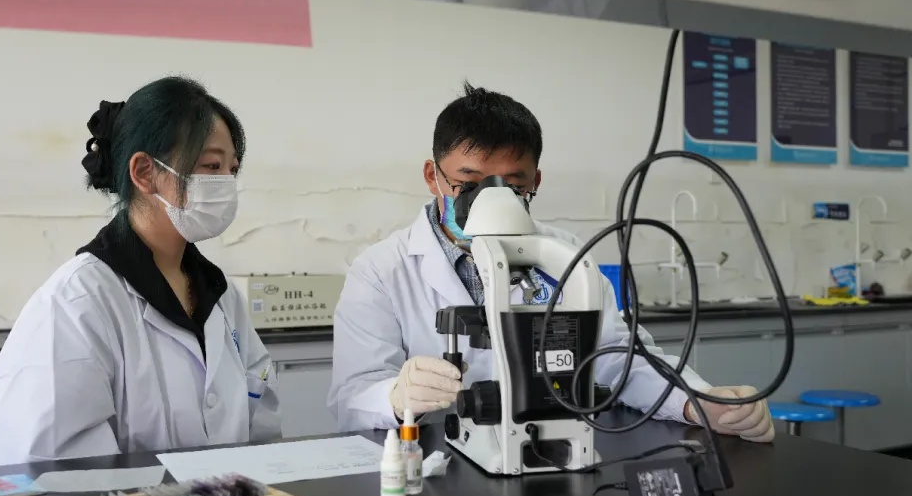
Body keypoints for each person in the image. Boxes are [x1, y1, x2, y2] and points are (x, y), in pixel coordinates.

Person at [328, 83, 773, 443]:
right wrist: (395, 395)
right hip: (433, 463)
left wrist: (696, 402)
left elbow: (618, 358)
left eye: (511, 186)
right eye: (468, 183)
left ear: (535, 181)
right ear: (433, 177)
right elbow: (352, 396)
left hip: (549, 448)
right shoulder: (382, 270)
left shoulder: (564, 255)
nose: (490, 200)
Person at [0, 76, 281, 465]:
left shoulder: (221, 297)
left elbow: (262, 426)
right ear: (145, 172)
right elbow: (60, 470)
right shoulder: (76, 304)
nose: (225, 184)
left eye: (232, 169)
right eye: (211, 166)